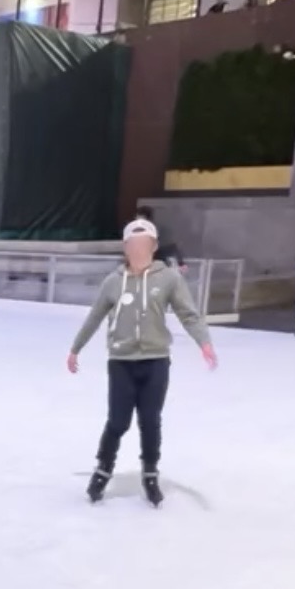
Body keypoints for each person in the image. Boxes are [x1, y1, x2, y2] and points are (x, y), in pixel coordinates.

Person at [67, 217, 217, 507]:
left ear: (154, 246)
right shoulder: (113, 282)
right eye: (133, 245)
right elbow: (95, 316)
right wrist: (76, 349)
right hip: (121, 361)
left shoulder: (169, 278)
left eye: (144, 244)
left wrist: (204, 342)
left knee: (150, 420)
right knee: (118, 421)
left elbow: (189, 314)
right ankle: (103, 469)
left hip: (155, 361)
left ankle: (150, 472)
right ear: (126, 248)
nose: (138, 250)